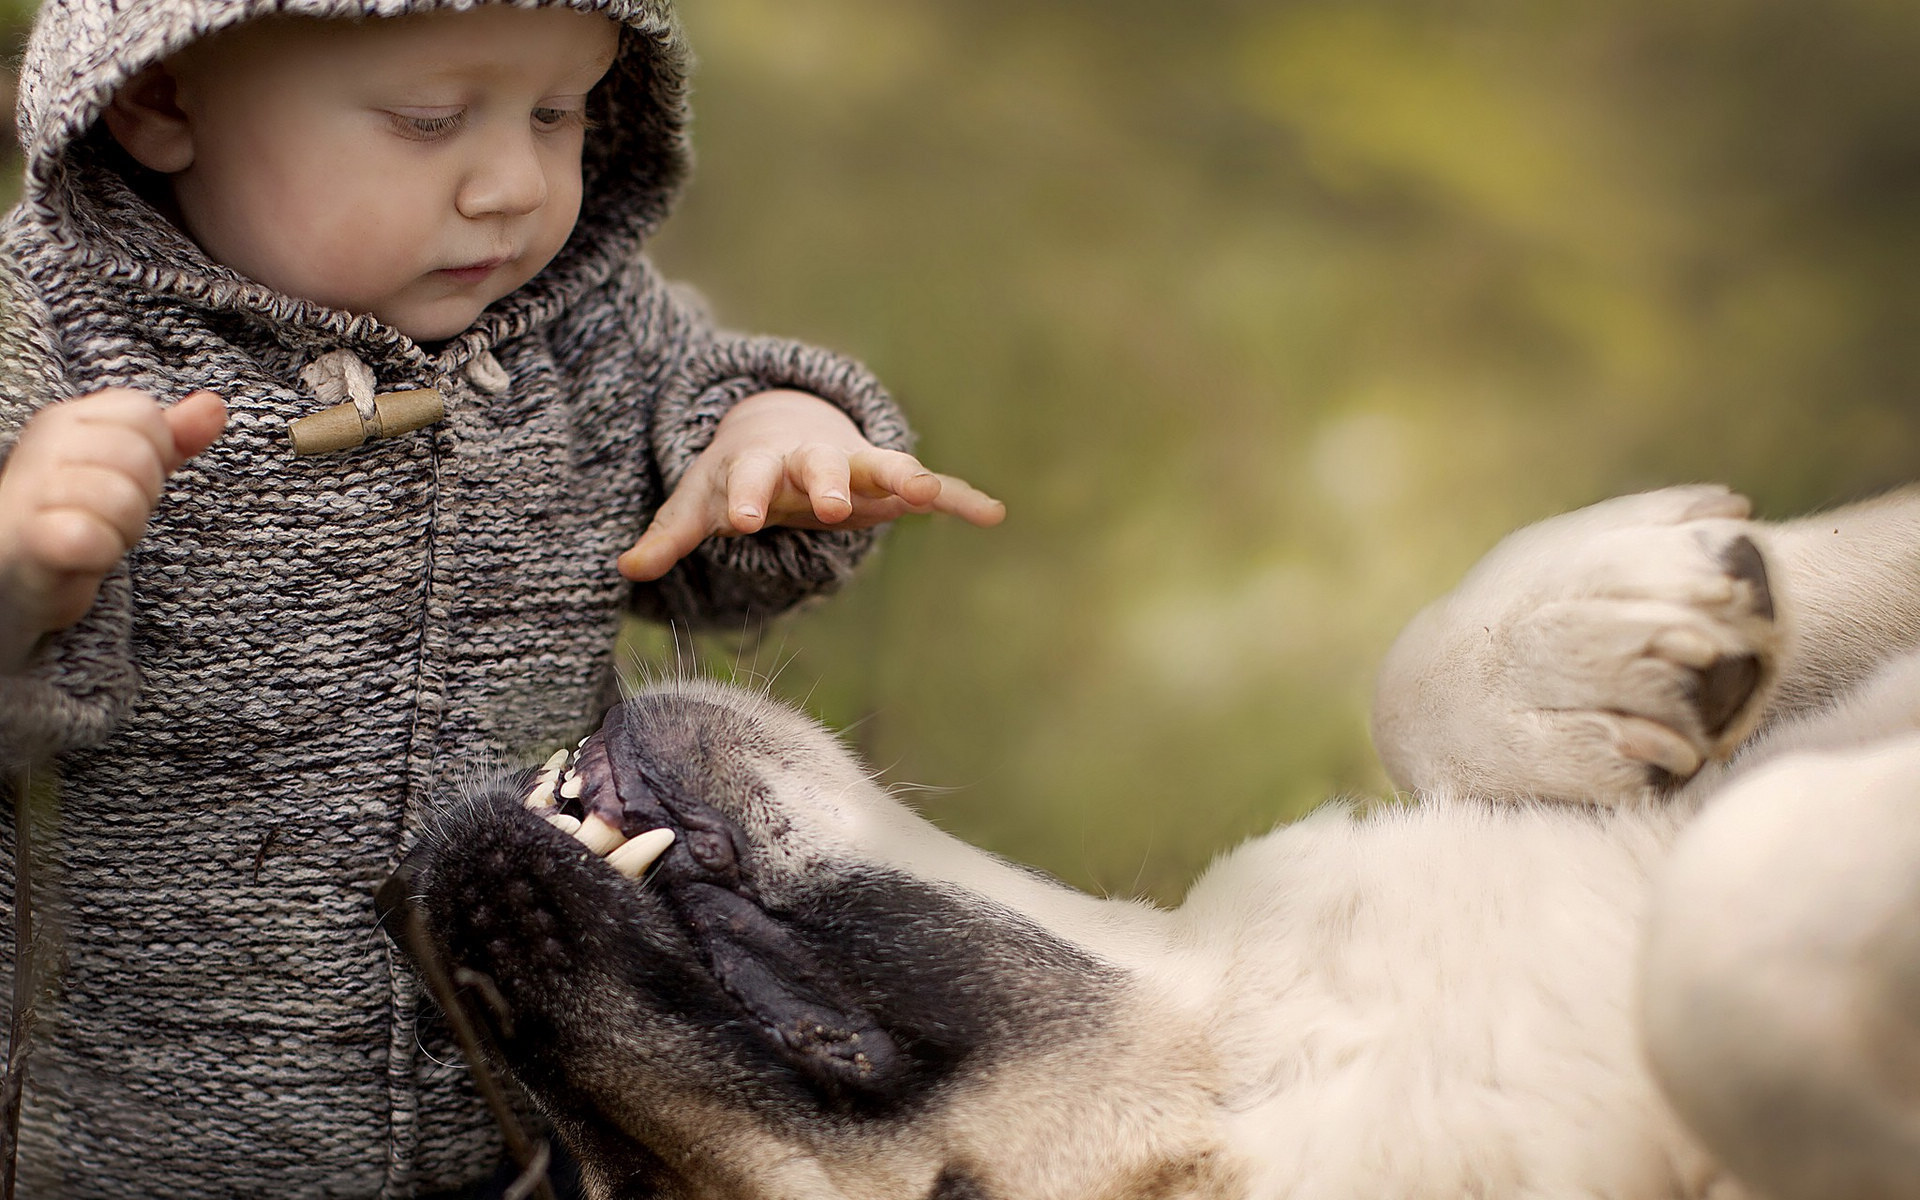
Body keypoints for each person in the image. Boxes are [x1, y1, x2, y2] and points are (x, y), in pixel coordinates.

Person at [0, 0, 1001, 1194]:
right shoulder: (41, 337)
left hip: (533, 1104)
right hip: (128, 1142)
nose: (514, 185)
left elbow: (708, 420)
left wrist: (772, 442)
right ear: (158, 97)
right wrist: (23, 573)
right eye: (430, 121)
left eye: (557, 113)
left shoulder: (579, 331)